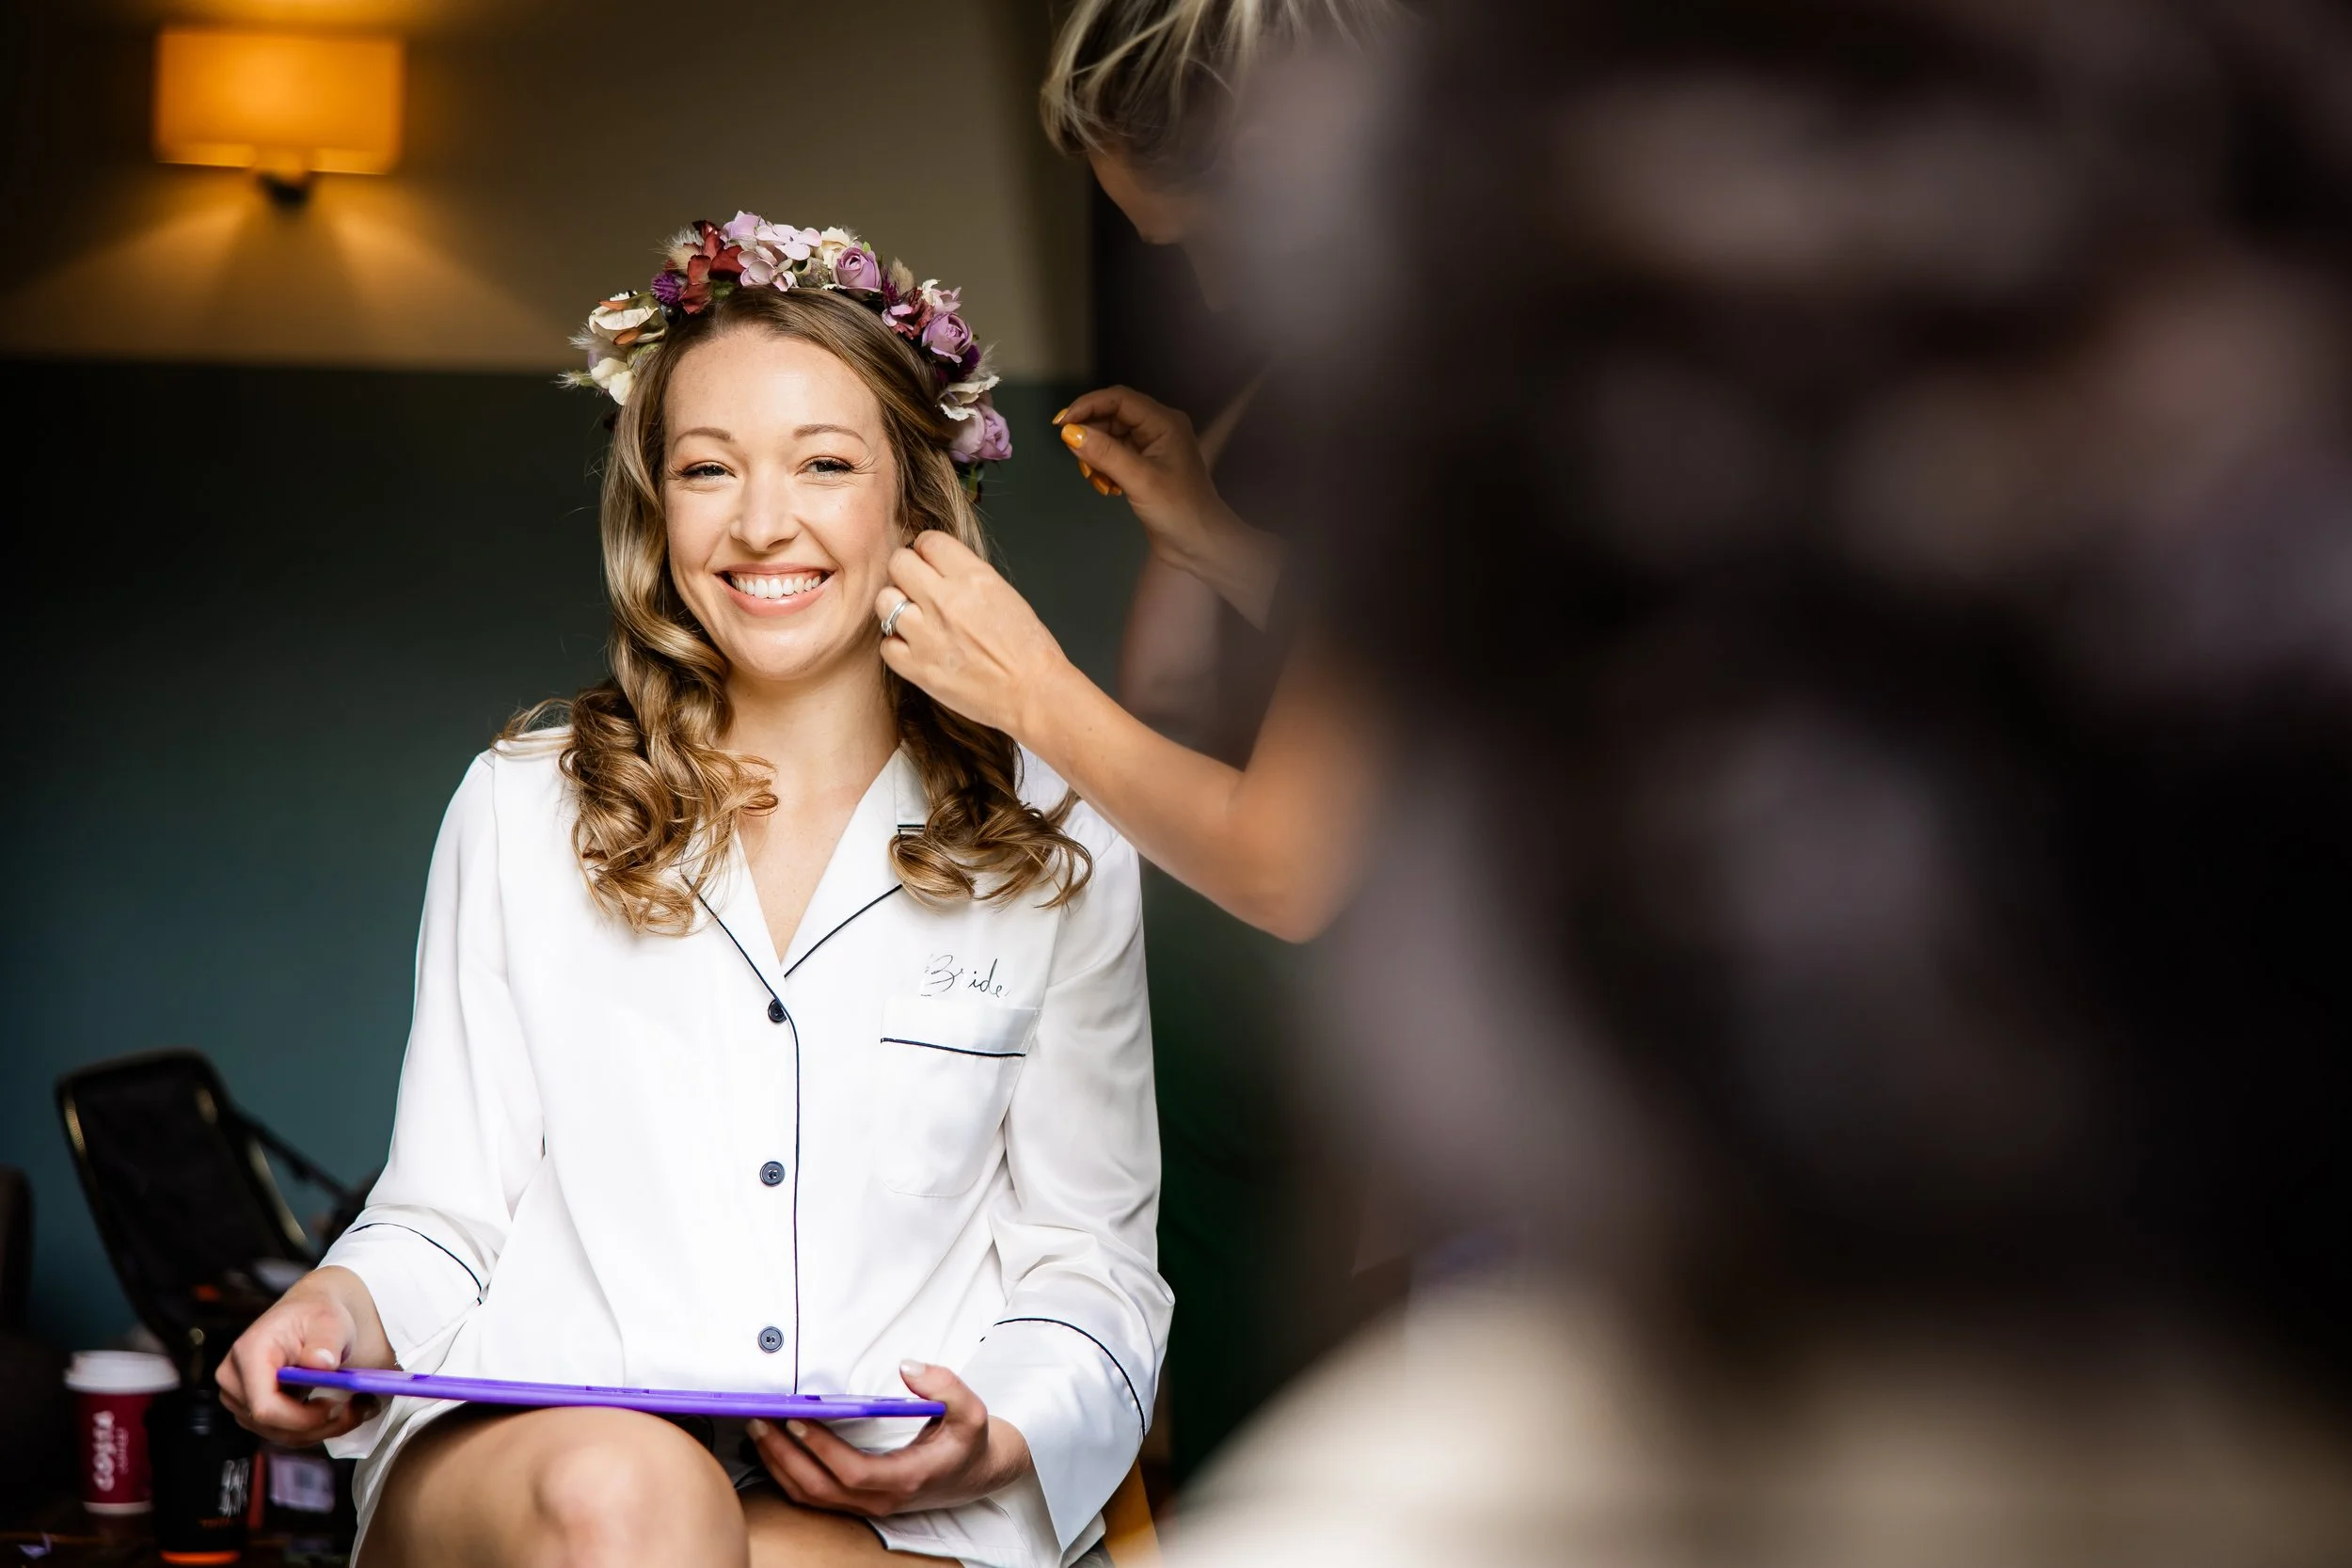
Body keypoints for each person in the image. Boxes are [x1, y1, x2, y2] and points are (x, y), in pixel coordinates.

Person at [215, 214, 1169, 1568]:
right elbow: (445, 1212)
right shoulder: (523, 803)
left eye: (825, 464)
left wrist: (1000, 1430)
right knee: (633, 1492)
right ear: (657, 506)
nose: (762, 522)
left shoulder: (1061, 836)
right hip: (536, 1459)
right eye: (707, 468)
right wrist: (339, 1308)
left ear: (913, 498)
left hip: (892, 1505)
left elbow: (1093, 1260)